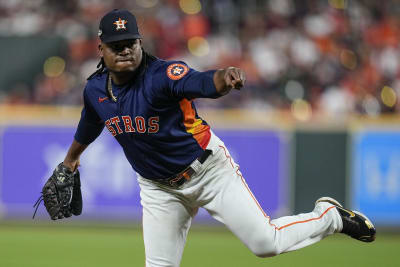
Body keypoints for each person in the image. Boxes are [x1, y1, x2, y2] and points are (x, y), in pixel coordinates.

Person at [58, 9, 375, 267]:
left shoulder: (162, 76)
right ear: (101, 49)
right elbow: (90, 123)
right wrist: (71, 158)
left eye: (131, 42)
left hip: (209, 171)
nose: (125, 49)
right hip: (158, 189)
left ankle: (329, 217)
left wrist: (225, 77)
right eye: (117, 44)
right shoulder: (96, 89)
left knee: (267, 244)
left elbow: (202, 81)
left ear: (141, 43)